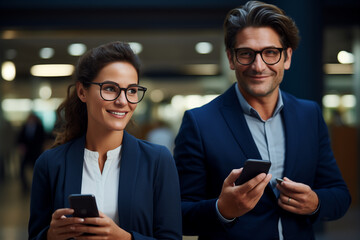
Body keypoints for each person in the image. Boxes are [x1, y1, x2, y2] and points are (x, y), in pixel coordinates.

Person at [173, 1, 351, 239]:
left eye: (270, 53)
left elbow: (340, 195)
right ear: (231, 58)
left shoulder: (309, 115)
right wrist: (222, 209)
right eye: (246, 54)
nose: (258, 66)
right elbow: (177, 213)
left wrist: (316, 202)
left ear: (286, 58)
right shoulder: (199, 123)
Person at [29, 41, 182, 240]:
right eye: (110, 88)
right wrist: (50, 235)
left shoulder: (158, 161)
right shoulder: (50, 164)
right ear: (82, 92)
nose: (123, 101)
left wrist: (125, 238)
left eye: (132, 90)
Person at [17, 112, 45, 192]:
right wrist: (21, 146)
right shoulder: (24, 127)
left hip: (36, 153)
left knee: (36, 169)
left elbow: (42, 138)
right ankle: (25, 186)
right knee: (22, 169)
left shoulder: (39, 127)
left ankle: (37, 185)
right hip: (26, 153)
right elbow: (19, 138)